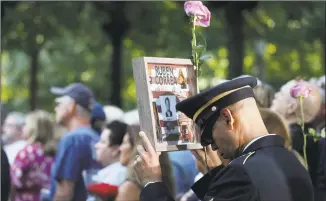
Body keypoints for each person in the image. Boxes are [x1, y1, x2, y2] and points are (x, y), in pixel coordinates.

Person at [134, 76, 314, 201]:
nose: (212, 148)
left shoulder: (242, 172)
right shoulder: (292, 162)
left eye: (209, 136)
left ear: (228, 118)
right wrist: (215, 175)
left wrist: (153, 182)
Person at [49, 83, 100, 201]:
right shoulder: (95, 137)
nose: (56, 108)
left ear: (71, 106)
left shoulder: (72, 139)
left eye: (59, 103)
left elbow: (64, 192)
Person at [116, 124, 175, 201]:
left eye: (124, 143)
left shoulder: (129, 188)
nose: (119, 148)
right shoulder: (163, 187)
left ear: (136, 148)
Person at [10, 110, 55, 201]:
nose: (23, 128)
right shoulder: (53, 152)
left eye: (25, 125)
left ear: (33, 128)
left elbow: (13, 180)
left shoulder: (28, 152)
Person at [93, 120, 127, 185]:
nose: (96, 145)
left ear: (115, 150)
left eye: (102, 142)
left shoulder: (117, 176)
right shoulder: (115, 173)